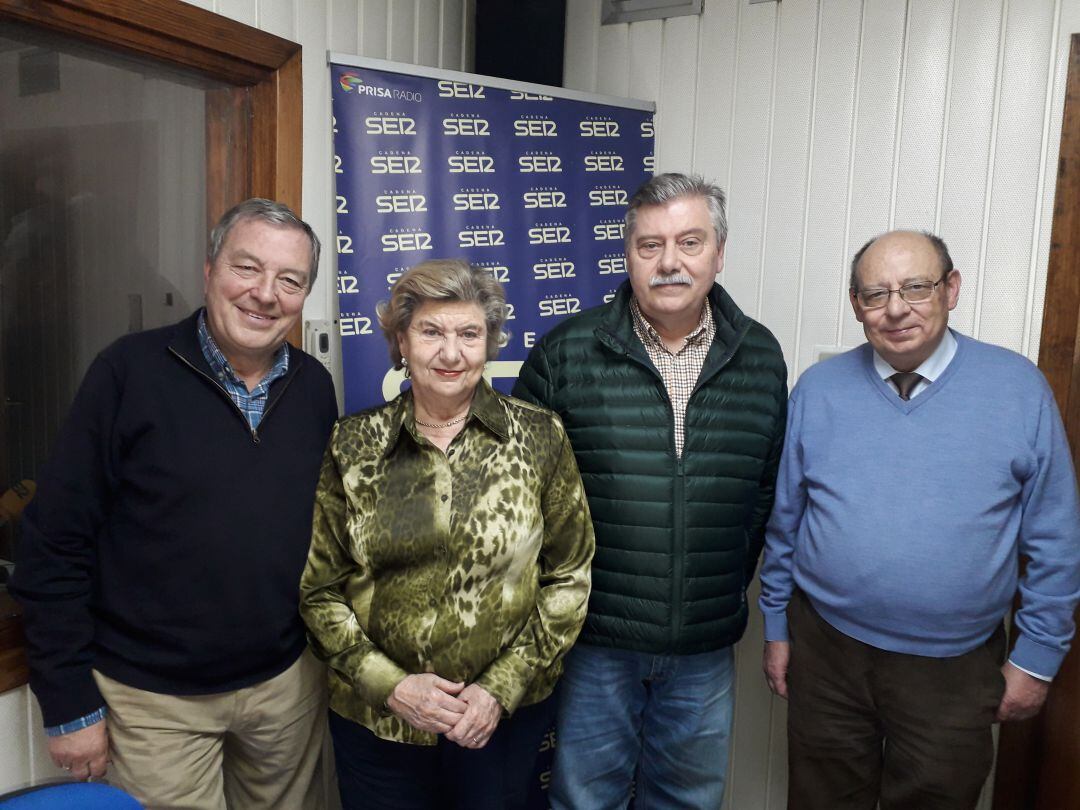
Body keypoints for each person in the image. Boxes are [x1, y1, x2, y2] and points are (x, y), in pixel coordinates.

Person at [10, 199, 338, 809]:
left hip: (284, 690)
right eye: (247, 268)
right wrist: (68, 700)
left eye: (289, 280)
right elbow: (54, 542)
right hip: (154, 701)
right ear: (209, 269)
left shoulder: (314, 387)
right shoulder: (127, 374)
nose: (265, 294)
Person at [759, 230, 1080, 810]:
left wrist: (1038, 656)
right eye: (876, 294)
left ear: (951, 289)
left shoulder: (1017, 390)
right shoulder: (819, 390)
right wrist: (777, 629)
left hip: (952, 666)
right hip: (826, 650)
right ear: (857, 305)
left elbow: (1056, 539)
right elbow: (786, 523)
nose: (897, 308)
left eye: (916, 287)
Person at [513, 173, 788, 809]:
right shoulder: (567, 352)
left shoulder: (759, 355)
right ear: (628, 256)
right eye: (649, 245)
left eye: (689, 242)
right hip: (596, 641)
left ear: (719, 254)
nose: (669, 262)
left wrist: (713, 587)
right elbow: (520, 499)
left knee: (687, 801)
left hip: (704, 645)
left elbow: (762, 494)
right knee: (585, 798)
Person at [299, 259, 594, 810]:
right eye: (431, 332)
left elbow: (569, 580)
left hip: (498, 725)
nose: (451, 353)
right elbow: (320, 592)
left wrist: (497, 689)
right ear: (401, 343)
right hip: (378, 726)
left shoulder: (540, 437)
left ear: (490, 342)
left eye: (469, 334)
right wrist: (391, 686)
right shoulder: (353, 444)